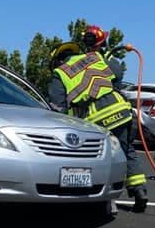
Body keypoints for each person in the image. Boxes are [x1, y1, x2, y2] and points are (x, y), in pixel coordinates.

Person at [48, 25, 149, 212]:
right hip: (123, 111)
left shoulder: (60, 73)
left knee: (101, 159)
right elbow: (117, 73)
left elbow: (58, 110)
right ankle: (139, 191)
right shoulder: (94, 57)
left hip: (98, 119)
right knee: (128, 151)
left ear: (57, 60)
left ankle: (107, 200)